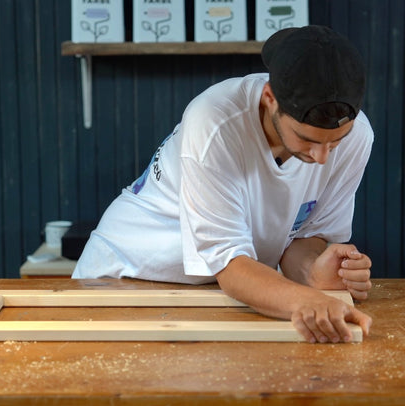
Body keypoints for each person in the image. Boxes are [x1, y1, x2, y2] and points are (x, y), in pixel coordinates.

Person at [73, 25, 374, 344]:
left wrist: (312, 273)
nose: (322, 157)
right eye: (306, 138)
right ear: (270, 98)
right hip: (126, 276)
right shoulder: (214, 122)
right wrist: (305, 300)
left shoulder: (358, 138)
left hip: (221, 292)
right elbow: (231, 266)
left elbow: (303, 237)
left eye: (335, 143)